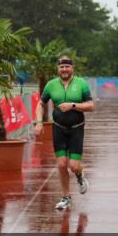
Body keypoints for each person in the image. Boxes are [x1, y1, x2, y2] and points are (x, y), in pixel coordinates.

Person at [35, 55, 94, 212]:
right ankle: (66, 197)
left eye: (67, 66)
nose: (64, 69)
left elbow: (91, 105)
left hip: (76, 128)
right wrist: (39, 122)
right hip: (58, 128)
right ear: (58, 68)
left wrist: (73, 105)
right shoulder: (51, 85)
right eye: (62, 67)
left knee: (74, 165)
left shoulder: (81, 84)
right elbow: (41, 104)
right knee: (61, 164)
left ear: (72, 68)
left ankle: (80, 176)